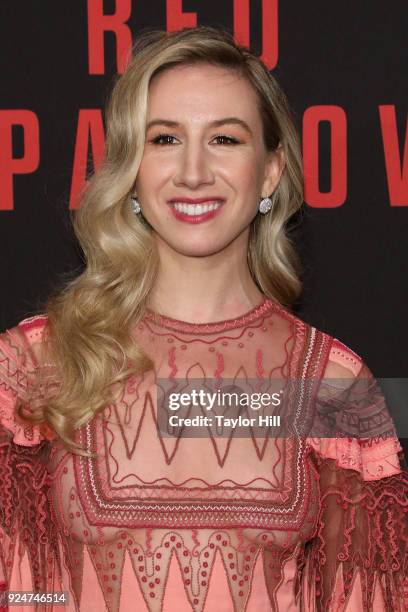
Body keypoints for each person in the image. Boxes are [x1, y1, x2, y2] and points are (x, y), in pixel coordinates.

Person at [0, 26, 406, 612]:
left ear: (270, 172)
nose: (193, 172)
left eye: (225, 139)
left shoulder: (331, 386)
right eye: (165, 139)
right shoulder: (31, 367)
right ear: (131, 168)